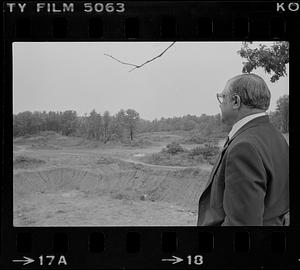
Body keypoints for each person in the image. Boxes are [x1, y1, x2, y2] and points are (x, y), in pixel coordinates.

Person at [197, 73, 289, 226]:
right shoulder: (276, 137)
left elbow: (242, 224)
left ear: (235, 101)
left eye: (222, 97)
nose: (220, 103)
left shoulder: (243, 146)